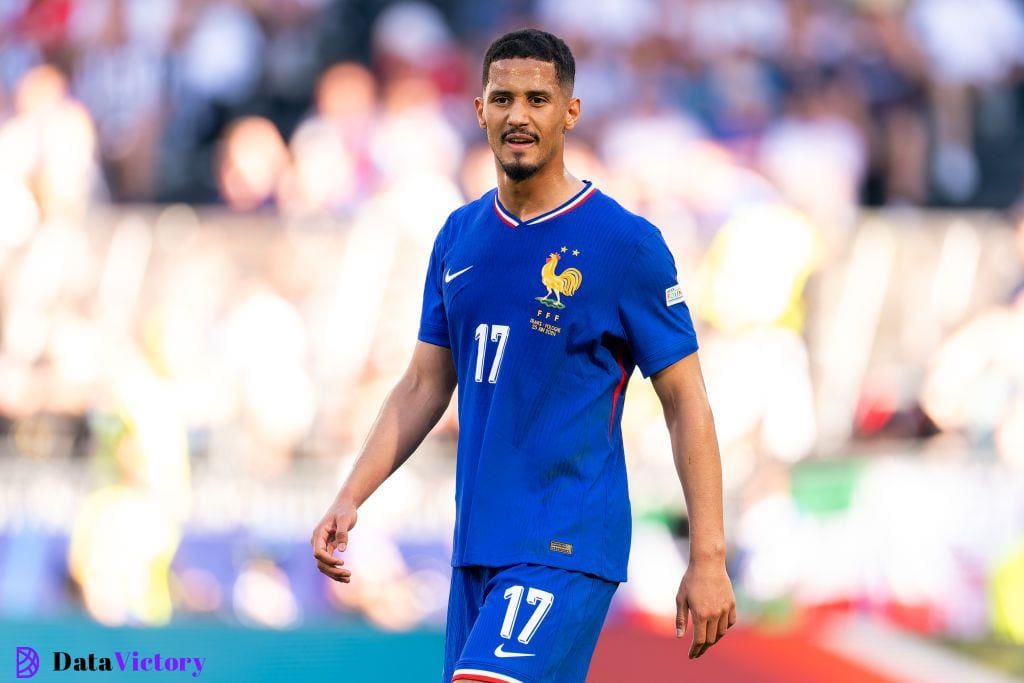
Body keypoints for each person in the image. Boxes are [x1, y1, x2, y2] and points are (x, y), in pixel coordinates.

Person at [311, 28, 735, 683]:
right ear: (478, 109)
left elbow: (685, 400)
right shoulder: (459, 236)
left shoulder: (623, 243)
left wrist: (708, 555)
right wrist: (351, 494)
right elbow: (425, 382)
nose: (518, 115)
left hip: (564, 542)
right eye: (502, 98)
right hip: (476, 546)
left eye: (538, 99)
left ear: (570, 112)